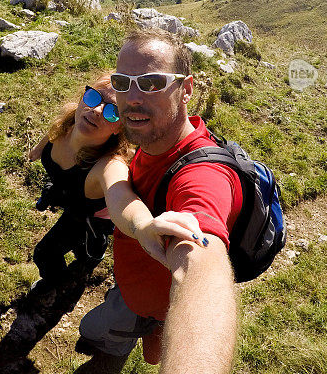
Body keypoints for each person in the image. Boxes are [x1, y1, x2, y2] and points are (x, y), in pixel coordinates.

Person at [78, 29, 243, 374]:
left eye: (152, 83)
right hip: (144, 287)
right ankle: (155, 330)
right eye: (123, 82)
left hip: (144, 301)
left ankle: (127, 339)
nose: (133, 97)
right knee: (153, 341)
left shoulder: (204, 174)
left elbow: (202, 263)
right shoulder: (158, 136)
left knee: (93, 330)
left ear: (186, 90)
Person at [28, 72, 206, 289]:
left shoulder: (109, 165)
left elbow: (122, 196)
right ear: (84, 97)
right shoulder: (70, 120)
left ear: (120, 127)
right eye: (94, 97)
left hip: (90, 217)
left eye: (113, 111)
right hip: (69, 194)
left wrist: (143, 226)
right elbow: (53, 134)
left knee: (45, 253)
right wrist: (37, 150)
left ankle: (60, 282)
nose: (96, 110)